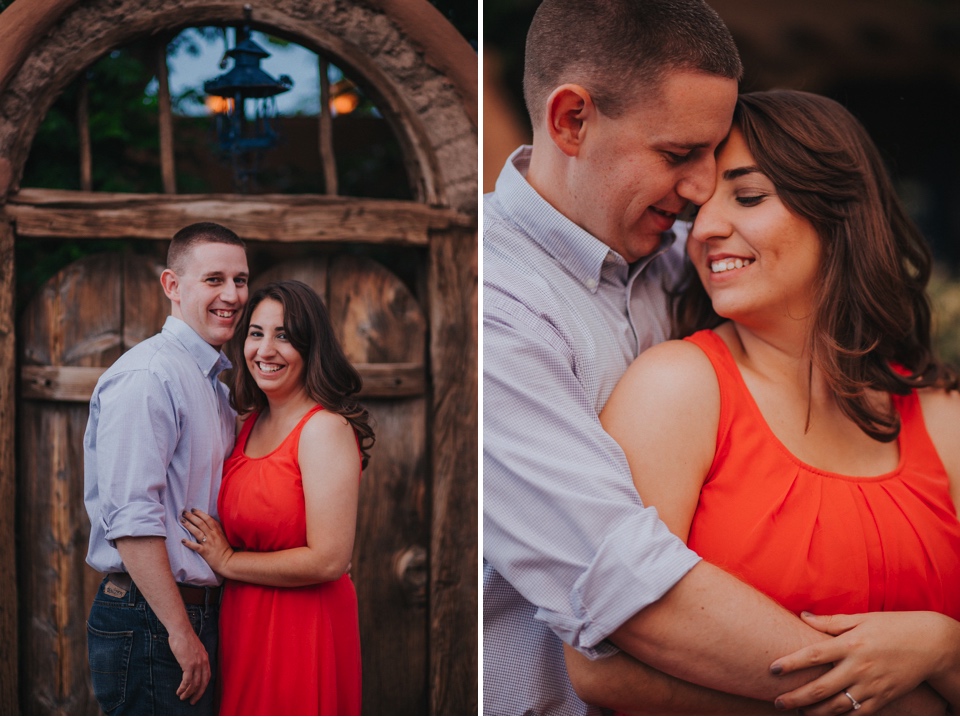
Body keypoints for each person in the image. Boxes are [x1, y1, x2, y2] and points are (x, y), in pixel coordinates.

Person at [483, 1, 948, 715]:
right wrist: (911, 700)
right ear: (571, 120)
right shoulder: (494, 303)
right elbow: (624, 592)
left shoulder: (681, 253)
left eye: (724, 169)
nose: (702, 196)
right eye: (678, 155)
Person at [180, 280, 374, 715]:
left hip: (302, 625)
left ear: (311, 347)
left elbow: (329, 558)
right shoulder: (246, 425)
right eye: (256, 333)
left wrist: (228, 561)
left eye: (283, 336)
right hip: (243, 621)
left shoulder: (324, 429)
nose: (265, 350)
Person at [83, 222, 249, 715]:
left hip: (191, 614)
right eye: (214, 279)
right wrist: (179, 631)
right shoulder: (148, 376)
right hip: (152, 618)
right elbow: (132, 518)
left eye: (240, 280)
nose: (232, 295)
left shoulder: (214, 385)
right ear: (172, 286)